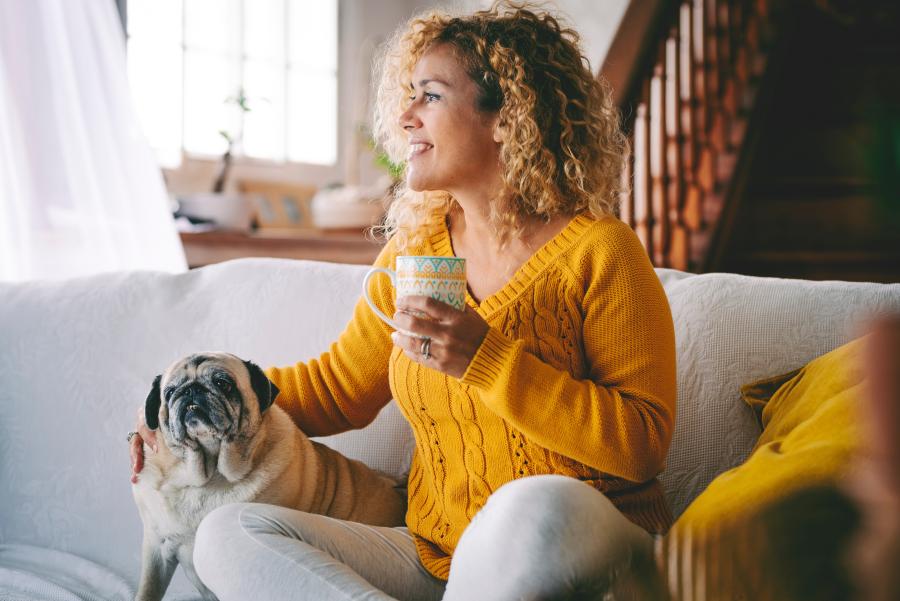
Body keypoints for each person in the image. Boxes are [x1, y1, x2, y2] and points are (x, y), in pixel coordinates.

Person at [129, 3, 676, 599]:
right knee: (228, 534)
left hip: (582, 542)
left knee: (534, 504)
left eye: (431, 96)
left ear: (508, 117)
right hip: (435, 556)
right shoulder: (415, 253)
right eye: (408, 95)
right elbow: (339, 389)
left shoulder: (600, 252)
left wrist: (484, 359)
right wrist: (184, 406)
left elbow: (641, 444)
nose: (405, 116)